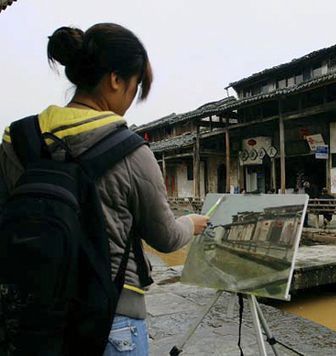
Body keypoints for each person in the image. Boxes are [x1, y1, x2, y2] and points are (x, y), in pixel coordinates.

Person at [0, 23, 209, 355]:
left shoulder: (17, 140)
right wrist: (191, 224)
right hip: (111, 313)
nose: (130, 99)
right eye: (134, 86)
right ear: (114, 79)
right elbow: (165, 237)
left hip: (32, 309)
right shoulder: (131, 151)